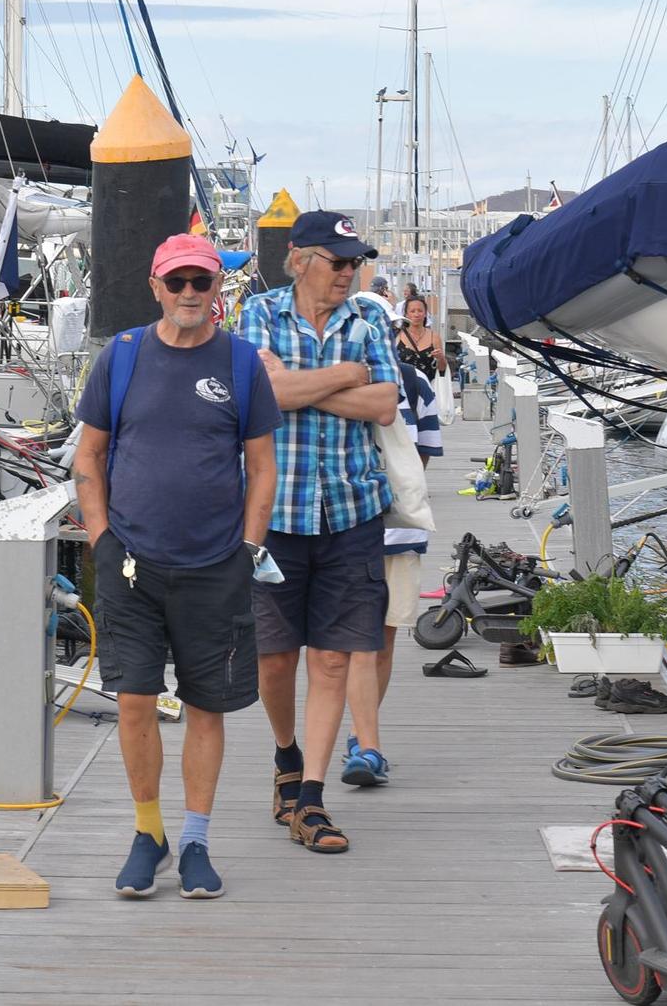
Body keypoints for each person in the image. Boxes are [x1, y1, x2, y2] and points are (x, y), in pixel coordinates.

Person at [72, 234, 281, 899]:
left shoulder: (242, 363)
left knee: (205, 707)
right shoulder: (122, 358)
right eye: (178, 281)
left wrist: (248, 549)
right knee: (134, 699)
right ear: (156, 287)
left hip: (216, 565)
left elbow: (263, 468)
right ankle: (147, 831)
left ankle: (194, 839)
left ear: (219, 289)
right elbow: (89, 459)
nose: (190, 292)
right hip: (130, 565)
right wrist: (102, 538)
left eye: (202, 281)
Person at [238, 211, 400, 854]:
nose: (349, 273)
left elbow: (385, 405)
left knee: (332, 658)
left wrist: (295, 387)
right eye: (338, 261)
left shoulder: (370, 320)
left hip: (351, 510)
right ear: (300, 258)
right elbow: (258, 395)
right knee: (274, 659)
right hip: (276, 514)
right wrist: (344, 377)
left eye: (355, 262)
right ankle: (285, 752)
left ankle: (310, 797)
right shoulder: (259, 315)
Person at [341, 360, 441, 786]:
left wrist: (396, 491)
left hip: (398, 533)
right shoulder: (332, 371)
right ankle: (366, 744)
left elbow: (422, 452)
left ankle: (359, 736)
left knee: (382, 640)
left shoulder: (413, 382)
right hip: (343, 531)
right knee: (348, 645)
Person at [394, 295, 448, 382]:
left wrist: (440, 358)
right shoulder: (397, 335)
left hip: (428, 389)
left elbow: (442, 370)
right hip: (403, 389)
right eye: (412, 311)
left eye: (420, 311)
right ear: (406, 314)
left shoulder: (434, 337)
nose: (416, 314)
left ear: (425, 313)